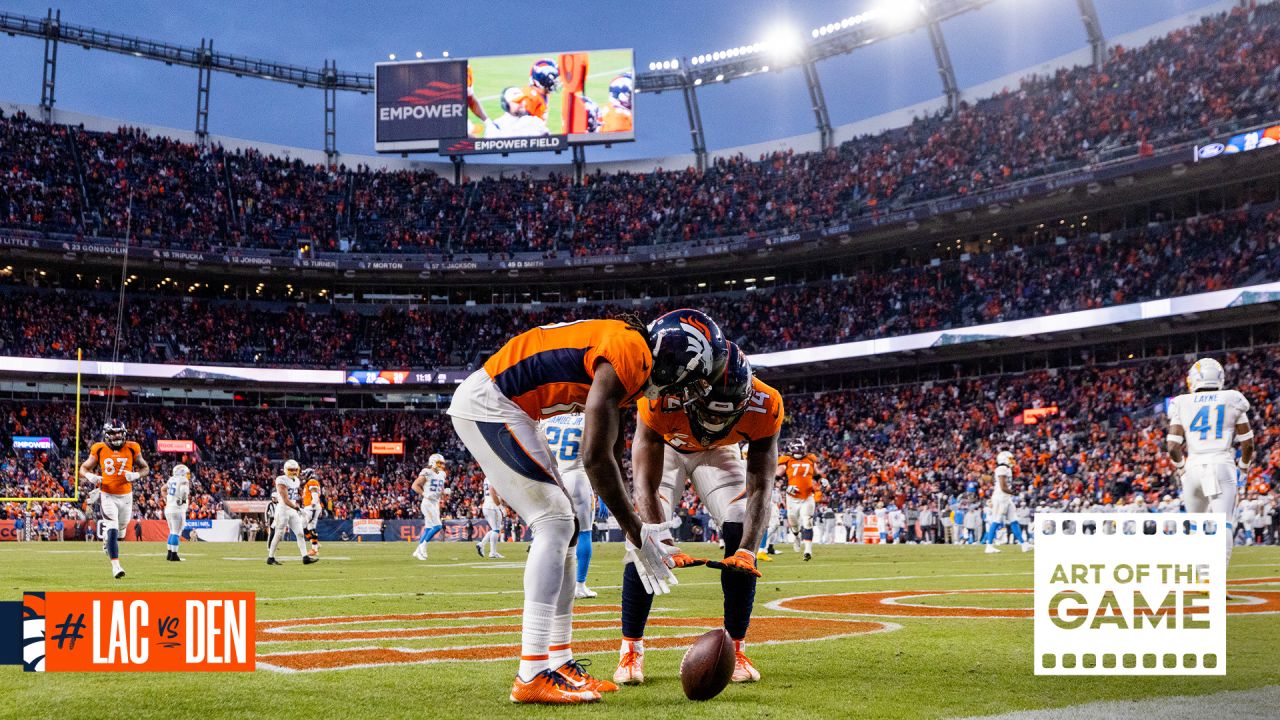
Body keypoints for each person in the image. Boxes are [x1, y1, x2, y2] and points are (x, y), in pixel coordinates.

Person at [448, 310, 726, 704]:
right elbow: (594, 459)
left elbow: (608, 450)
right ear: (678, 358)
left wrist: (640, 525)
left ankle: (558, 661)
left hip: (515, 408)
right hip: (491, 403)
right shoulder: (630, 354)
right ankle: (531, 673)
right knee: (556, 522)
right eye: (693, 376)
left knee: (569, 525)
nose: (688, 390)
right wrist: (636, 532)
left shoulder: (632, 356)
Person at [615, 342, 780, 686]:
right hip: (668, 447)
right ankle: (630, 648)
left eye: (726, 415)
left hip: (720, 453)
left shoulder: (766, 403)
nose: (716, 421)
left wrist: (748, 550)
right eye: (710, 412)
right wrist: (657, 534)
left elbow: (762, 483)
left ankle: (736, 647)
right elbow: (643, 478)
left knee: (740, 526)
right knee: (643, 536)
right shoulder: (662, 392)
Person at [1167, 358, 1256, 568]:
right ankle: (1217, 582)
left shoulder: (1181, 402)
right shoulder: (1232, 398)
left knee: (1195, 525)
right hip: (1221, 463)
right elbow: (1248, 444)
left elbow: (1172, 446)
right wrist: (1243, 467)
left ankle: (1202, 576)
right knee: (1223, 523)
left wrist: (1181, 470)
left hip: (1194, 465)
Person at [80, 420, 149, 579]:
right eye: (113, 433)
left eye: (119, 432)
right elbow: (83, 468)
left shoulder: (132, 447)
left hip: (126, 496)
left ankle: (107, 540)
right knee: (112, 527)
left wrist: (136, 474)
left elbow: (145, 468)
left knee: (121, 530)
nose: (117, 435)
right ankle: (116, 566)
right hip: (107, 494)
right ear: (107, 434)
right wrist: (90, 475)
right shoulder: (99, 448)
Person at [540, 413, 597, 598]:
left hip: (553, 477)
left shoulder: (548, 419)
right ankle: (579, 585)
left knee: (551, 532)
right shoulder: (588, 418)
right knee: (584, 532)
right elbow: (595, 457)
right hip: (577, 478)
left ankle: (547, 583)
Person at [778, 438, 826, 561]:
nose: (799, 451)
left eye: (801, 448)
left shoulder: (810, 459)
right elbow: (776, 476)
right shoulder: (786, 460)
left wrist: (822, 480)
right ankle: (796, 536)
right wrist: (785, 487)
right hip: (792, 498)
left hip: (807, 496)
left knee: (807, 521)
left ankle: (808, 550)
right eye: (797, 449)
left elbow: (817, 474)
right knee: (793, 522)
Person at [267, 459, 317, 566]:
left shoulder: (297, 480)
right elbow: (285, 499)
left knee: (300, 533)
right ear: (285, 470)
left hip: (292, 510)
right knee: (279, 534)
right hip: (283, 509)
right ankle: (270, 557)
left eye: (295, 470)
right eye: (291, 470)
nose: (294, 472)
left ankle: (305, 557)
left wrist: (298, 508)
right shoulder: (281, 479)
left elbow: (294, 496)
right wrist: (299, 509)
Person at [984, 451, 1031, 553]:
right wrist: (1014, 492)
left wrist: (1012, 492)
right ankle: (989, 546)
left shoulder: (1006, 469)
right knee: (996, 521)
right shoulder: (1002, 468)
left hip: (1006, 498)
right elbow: (1003, 487)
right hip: (1000, 498)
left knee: (1014, 520)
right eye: (1010, 459)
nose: (1012, 461)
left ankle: (1024, 544)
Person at [412, 455, 447, 561]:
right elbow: (414, 485)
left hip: (435, 503)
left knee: (428, 529)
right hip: (428, 503)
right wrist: (425, 494)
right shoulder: (427, 472)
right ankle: (422, 547)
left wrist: (444, 492)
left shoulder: (442, 474)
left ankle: (418, 551)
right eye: (439, 463)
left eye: (442, 463)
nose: (441, 465)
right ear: (433, 462)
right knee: (437, 526)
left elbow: (440, 491)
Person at [164, 464, 191, 562]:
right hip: (177, 508)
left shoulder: (171, 479)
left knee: (172, 532)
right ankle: (174, 555)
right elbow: (184, 490)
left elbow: (164, 489)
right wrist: (183, 499)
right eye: (186, 473)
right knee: (176, 532)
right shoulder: (183, 480)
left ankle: (169, 554)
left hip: (169, 508)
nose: (188, 475)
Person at [476, 477, 507, 559]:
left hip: (487, 505)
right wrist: (501, 507)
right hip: (492, 506)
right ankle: (492, 552)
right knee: (496, 530)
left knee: (495, 529)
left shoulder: (487, 477)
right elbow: (492, 491)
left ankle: (481, 544)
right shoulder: (492, 476)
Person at [300, 469, 323, 557]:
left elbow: (314, 494)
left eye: (305, 474)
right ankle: (315, 543)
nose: (303, 476)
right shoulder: (309, 482)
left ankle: (315, 549)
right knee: (302, 527)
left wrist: (313, 505)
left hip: (311, 507)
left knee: (311, 527)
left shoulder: (312, 481)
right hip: (308, 507)